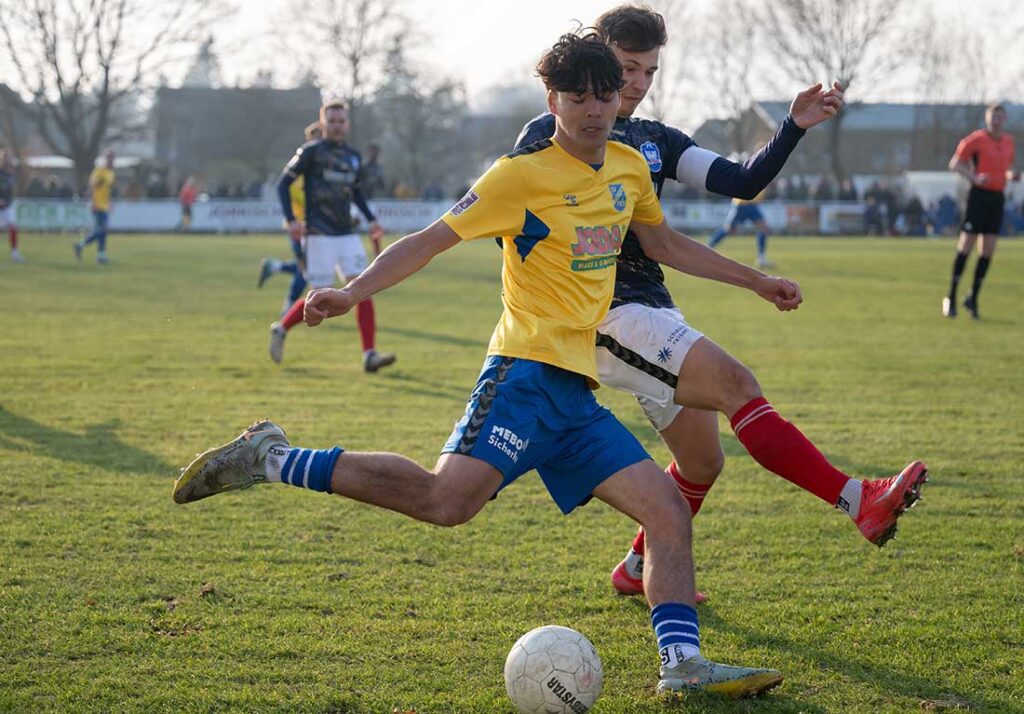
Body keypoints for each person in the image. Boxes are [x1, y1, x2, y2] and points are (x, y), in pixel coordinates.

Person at [175, 31, 791, 697]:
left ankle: (683, 669)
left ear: (621, 98)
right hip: (522, 376)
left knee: (667, 513)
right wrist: (353, 291)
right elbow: (430, 239)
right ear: (551, 98)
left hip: (577, 397)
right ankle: (271, 457)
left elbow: (663, 242)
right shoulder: (517, 176)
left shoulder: (627, 169)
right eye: (576, 96)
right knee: (446, 503)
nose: (593, 109)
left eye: (605, 95)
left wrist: (754, 280)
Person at [514, 6, 926, 602]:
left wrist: (792, 128)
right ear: (594, 58)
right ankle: (859, 499)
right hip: (604, 315)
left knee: (702, 464)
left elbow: (738, 181)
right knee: (738, 384)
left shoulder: (654, 142)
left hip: (651, 311)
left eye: (649, 71)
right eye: (627, 68)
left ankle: (637, 567)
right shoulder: (549, 132)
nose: (636, 84)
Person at [270, 104, 394, 372]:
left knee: (362, 290)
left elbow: (357, 193)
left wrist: (371, 220)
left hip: (347, 233)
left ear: (347, 125)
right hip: (318, 234)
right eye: (332, 120)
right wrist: (292, 220)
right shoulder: (310, 153)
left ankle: (369, 354)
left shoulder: (352, 156)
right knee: (320, 299)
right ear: (323, 123)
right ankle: (281, 328)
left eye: (341, 120)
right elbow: (282, 184)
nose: (337, 125)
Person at [943, 103, 1020, 320]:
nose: (996, 121)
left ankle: (973, 298)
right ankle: (951, 297)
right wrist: (974, 177)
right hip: (978, 196)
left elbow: (1004, 169)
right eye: (992, 117)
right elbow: (955, 163)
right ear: (987, 119)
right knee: (966, 245)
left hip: (997, 198)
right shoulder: (976, 140)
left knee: (988, 249)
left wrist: (1010, 175)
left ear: (1004, 119)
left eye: (999, 117)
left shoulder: (1008, 142)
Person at [258, 121, 321, 316]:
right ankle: (289, 309)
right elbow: (286, 191)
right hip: (300, 228)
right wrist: (296, 220)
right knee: (306, 270)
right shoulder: (301, 171)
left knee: (310, 267)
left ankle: (274, 266)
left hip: (318, 228)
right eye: (317, 138)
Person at [708, 188, 773, 268]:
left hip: (748, 203)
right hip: (744, 203)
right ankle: (707, 249)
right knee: (728, 229)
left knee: (763, 229)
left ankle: (761, 259)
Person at [74, 148, 116, 264]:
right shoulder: (100, 171)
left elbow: (108, 190)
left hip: (105, 205)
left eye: (112, 157)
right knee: (100, 230)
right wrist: (93, 202)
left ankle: (101, 255)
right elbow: (92, 186)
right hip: (97, 205)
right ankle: (81, 244)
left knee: (103, 231)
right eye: (109, 157)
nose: (111, 159)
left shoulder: (111, 173)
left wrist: (109, 203)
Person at [0, 150, 23, 263]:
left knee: (13, 227)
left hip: (8, 205)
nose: (7, 160)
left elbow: (11, 190)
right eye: (5, 158)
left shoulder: (11, 174)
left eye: (8, 158)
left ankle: (15, 253)